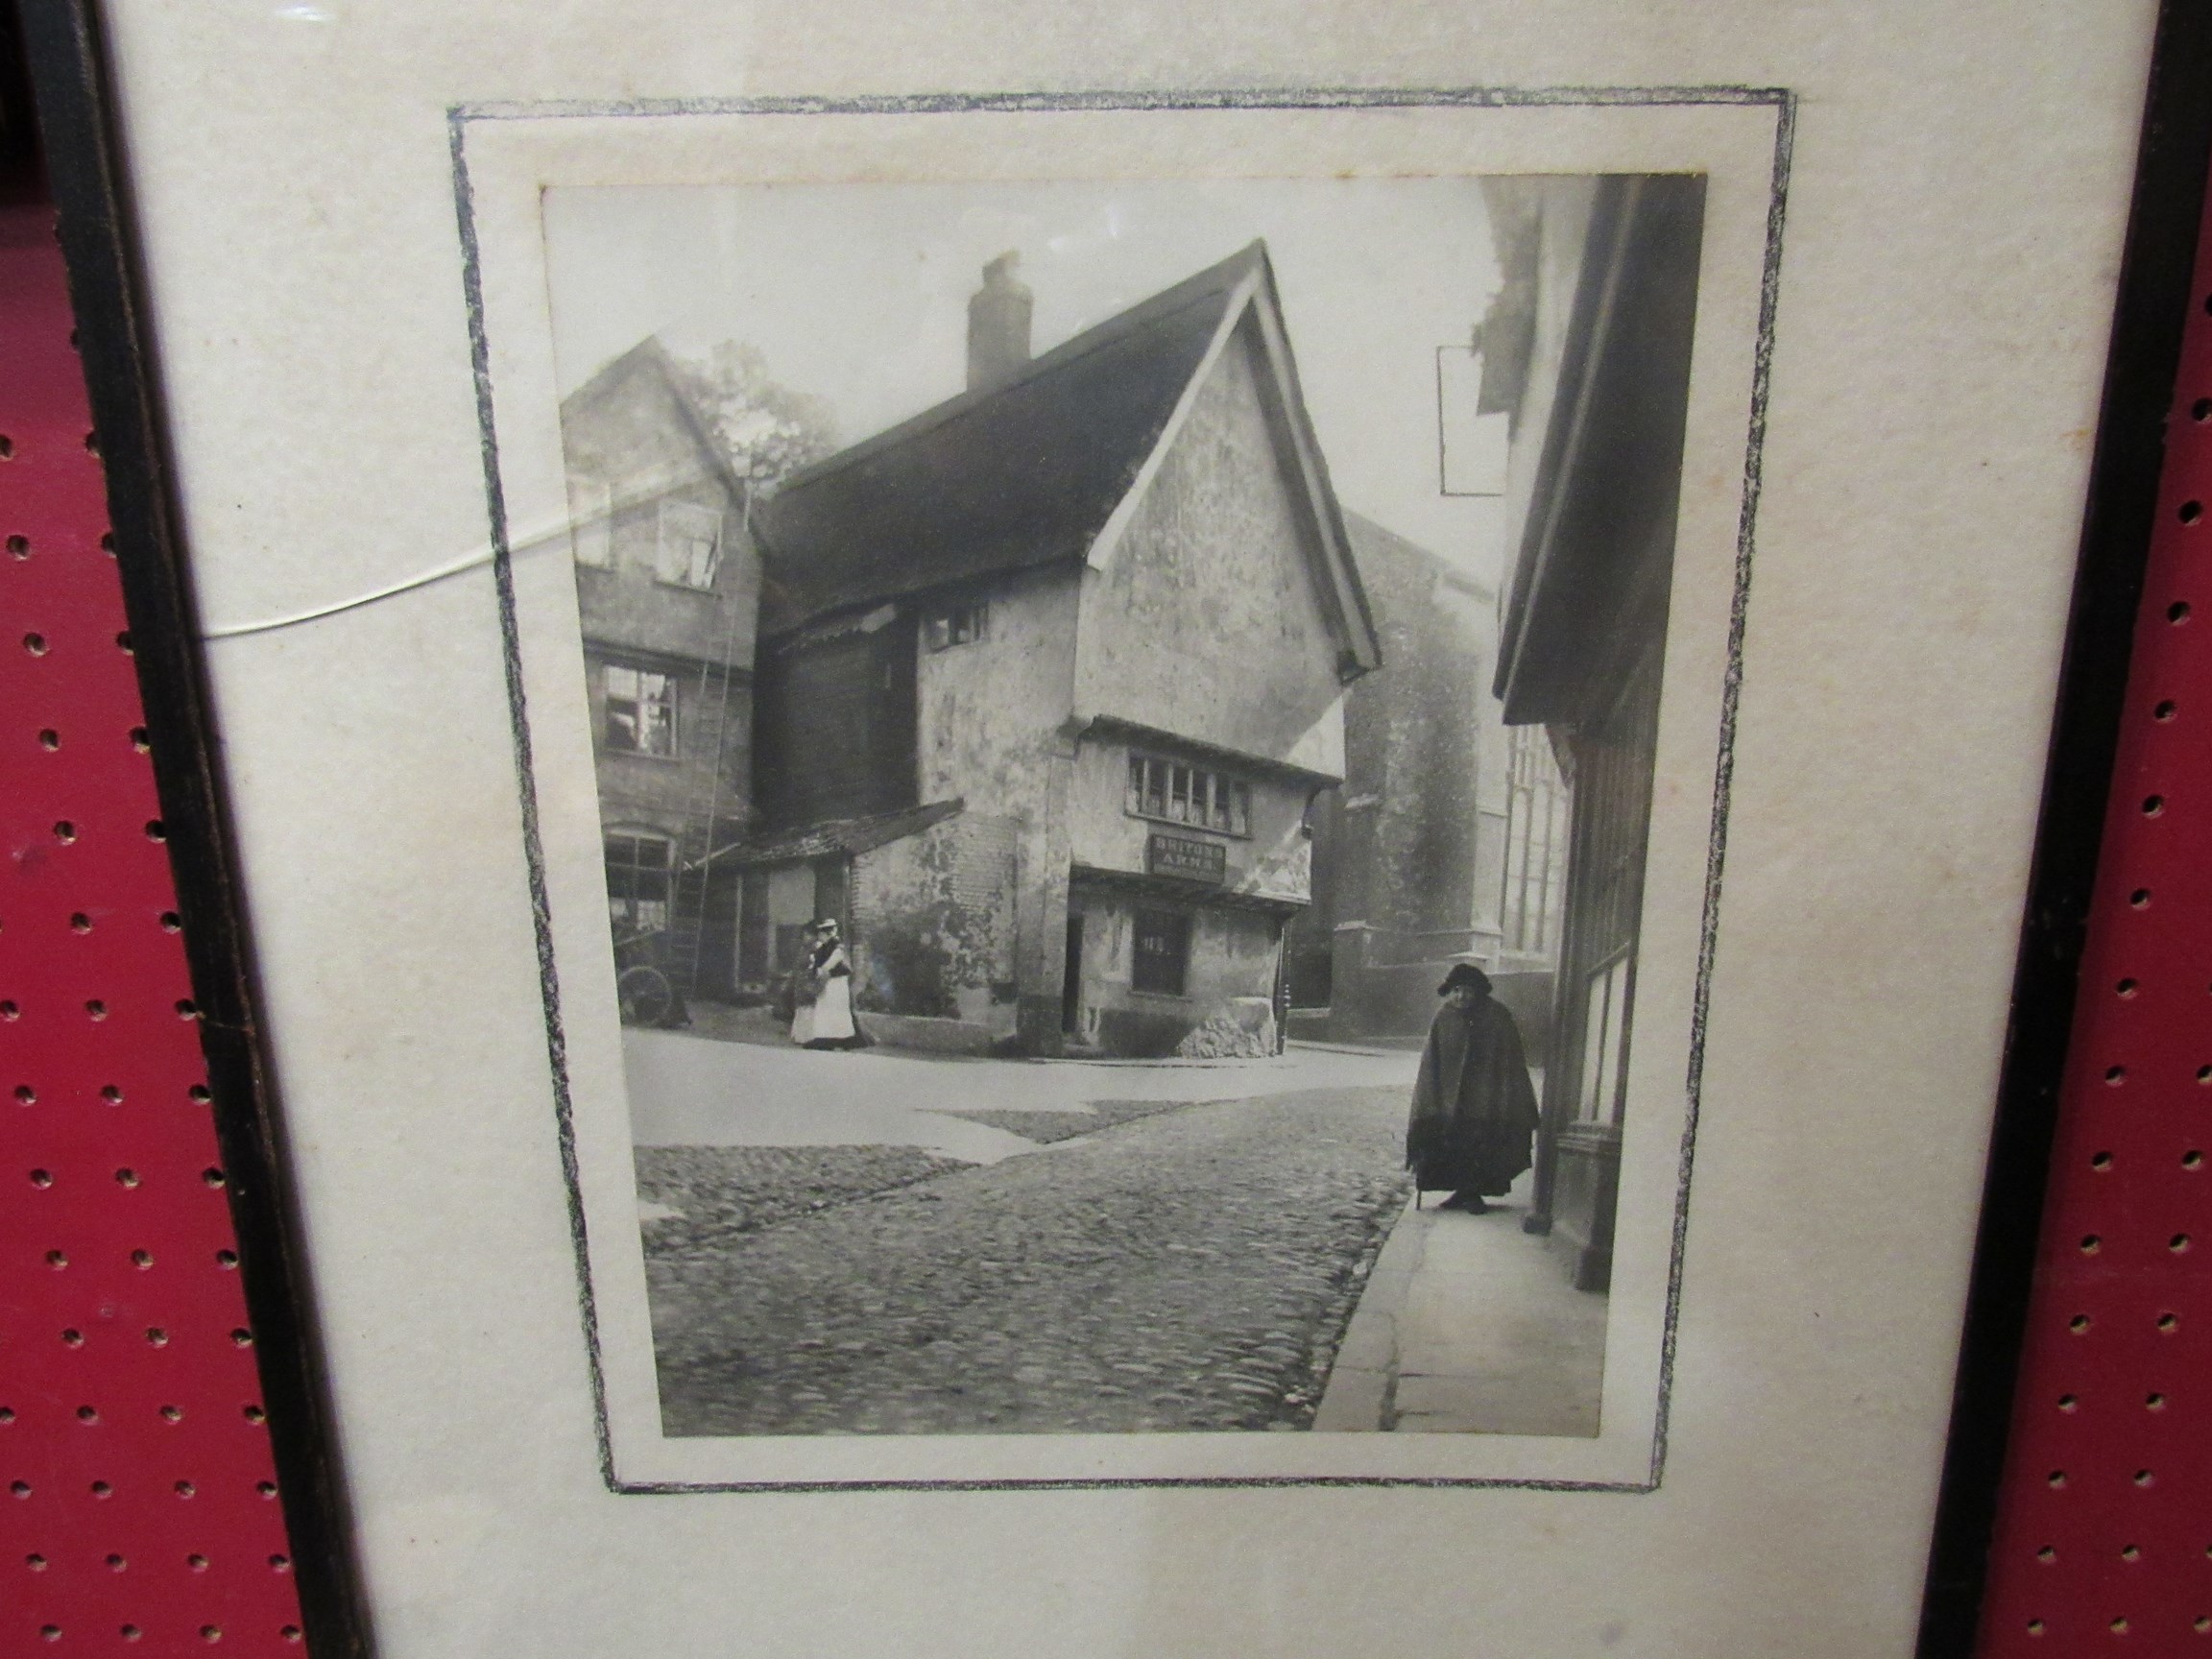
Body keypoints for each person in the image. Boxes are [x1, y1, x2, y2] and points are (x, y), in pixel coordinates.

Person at [1405, 963, 1540, 1214]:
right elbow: (1431, 1058)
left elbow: (1510, 1057)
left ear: (1478, 991)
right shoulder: (1443, 1017)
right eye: (1456, 990)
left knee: (1481, 1141)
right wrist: (1431, 1093)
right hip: (1449, 1095)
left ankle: (1473, 1192)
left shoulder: (1496, 1015)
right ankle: (1460, 1191)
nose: (1461, 996)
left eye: (1467, 990)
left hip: (1486, 1096)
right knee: (1452, 1140)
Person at [789, 918, 864, 1050]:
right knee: (824, 1010)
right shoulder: (823, 948)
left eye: (823, 933)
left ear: (828, 934)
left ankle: (838, 1039)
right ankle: (825, 1038)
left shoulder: (837, 947)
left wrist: (820, 970)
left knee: (835, 1010)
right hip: (827, 983)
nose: (820, 936)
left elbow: (829, 965)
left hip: (836, 983)